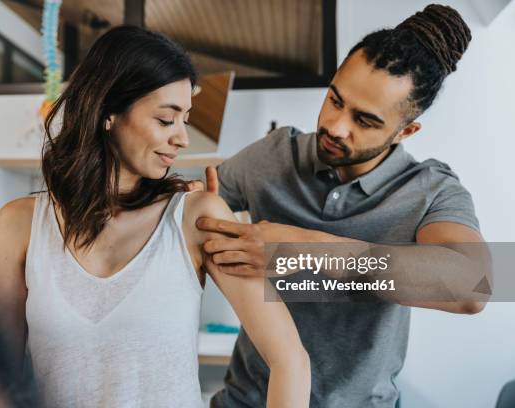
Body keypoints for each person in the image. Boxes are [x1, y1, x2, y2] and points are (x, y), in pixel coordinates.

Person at [0, 26, 310, 408]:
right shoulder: (18, 225)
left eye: (184, 120)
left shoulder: (197, 218)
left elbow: (290, 361)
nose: (183, 139)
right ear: (108, 112)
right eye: (166, 119)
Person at [196, 5, 490, 408]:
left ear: (406, 131)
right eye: (334, 99)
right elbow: (191, 204)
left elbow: (473, 285)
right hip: (246, 400)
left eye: (364, 120)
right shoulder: (275, 155)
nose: (335, 126)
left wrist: (304, 249)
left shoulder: (429, 192)